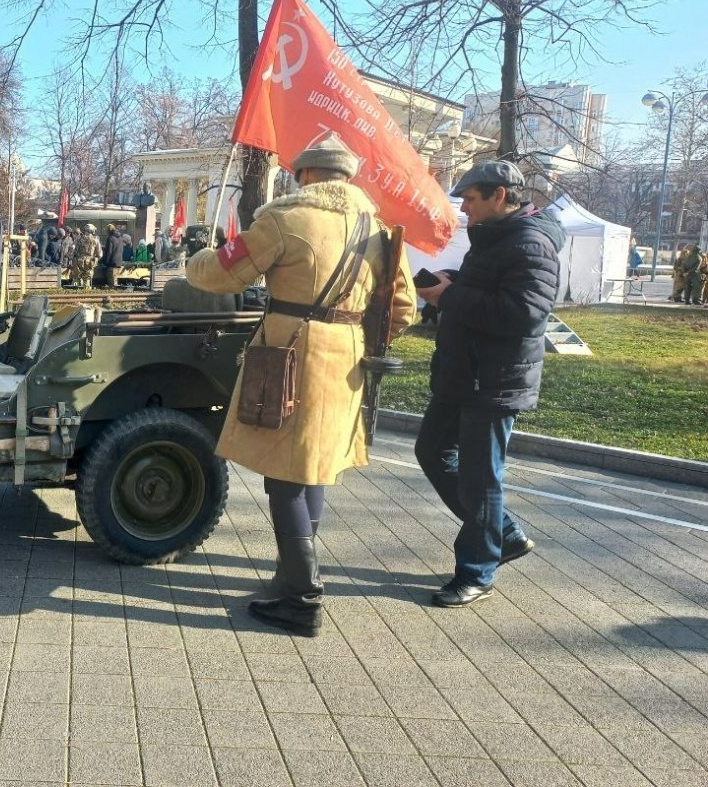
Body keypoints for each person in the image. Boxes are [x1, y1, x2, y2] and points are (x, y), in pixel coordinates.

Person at [186, 140, 414, 636]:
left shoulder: (284, 219)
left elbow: (220, 274)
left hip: (290, 354)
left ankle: (303, 597)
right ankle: (290, 576)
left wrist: (197, 255)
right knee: (314, 468)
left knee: (285, 473)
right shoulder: (376, 230)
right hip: (347, 358)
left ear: (305, 174)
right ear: (347, 179)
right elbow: (403, 308)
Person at [414, 160, 564, 608]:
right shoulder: (496, 238)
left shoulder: (531, 243)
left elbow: (523, 314)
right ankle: (505, 534)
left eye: (471, 199)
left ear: (500, 195)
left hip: (493, 381)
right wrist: (452, 282)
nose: (463, 208)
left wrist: (450, 295)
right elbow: (489, 289)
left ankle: (477, 572)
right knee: (432, 451)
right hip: (464, 374)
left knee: (481, 480)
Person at [72, 223, 100, 289]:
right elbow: (99, 253)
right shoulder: (95, 239)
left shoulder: (78, 238)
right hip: (89, 262)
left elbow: (73, 248)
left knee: (76, 279)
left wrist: (72, 258)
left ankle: (75, 291)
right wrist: (95, 260)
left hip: (78, 261)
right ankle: (86, 294)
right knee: (87, 280)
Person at [102, 224, 123, 288]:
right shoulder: (120, 237)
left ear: (108, 230)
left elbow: (109, 252)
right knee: (115, 280)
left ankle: (113, 294)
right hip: (119, 262)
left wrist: (105, 262)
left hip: (111, 263)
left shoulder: (110, 238)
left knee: (111, 283)